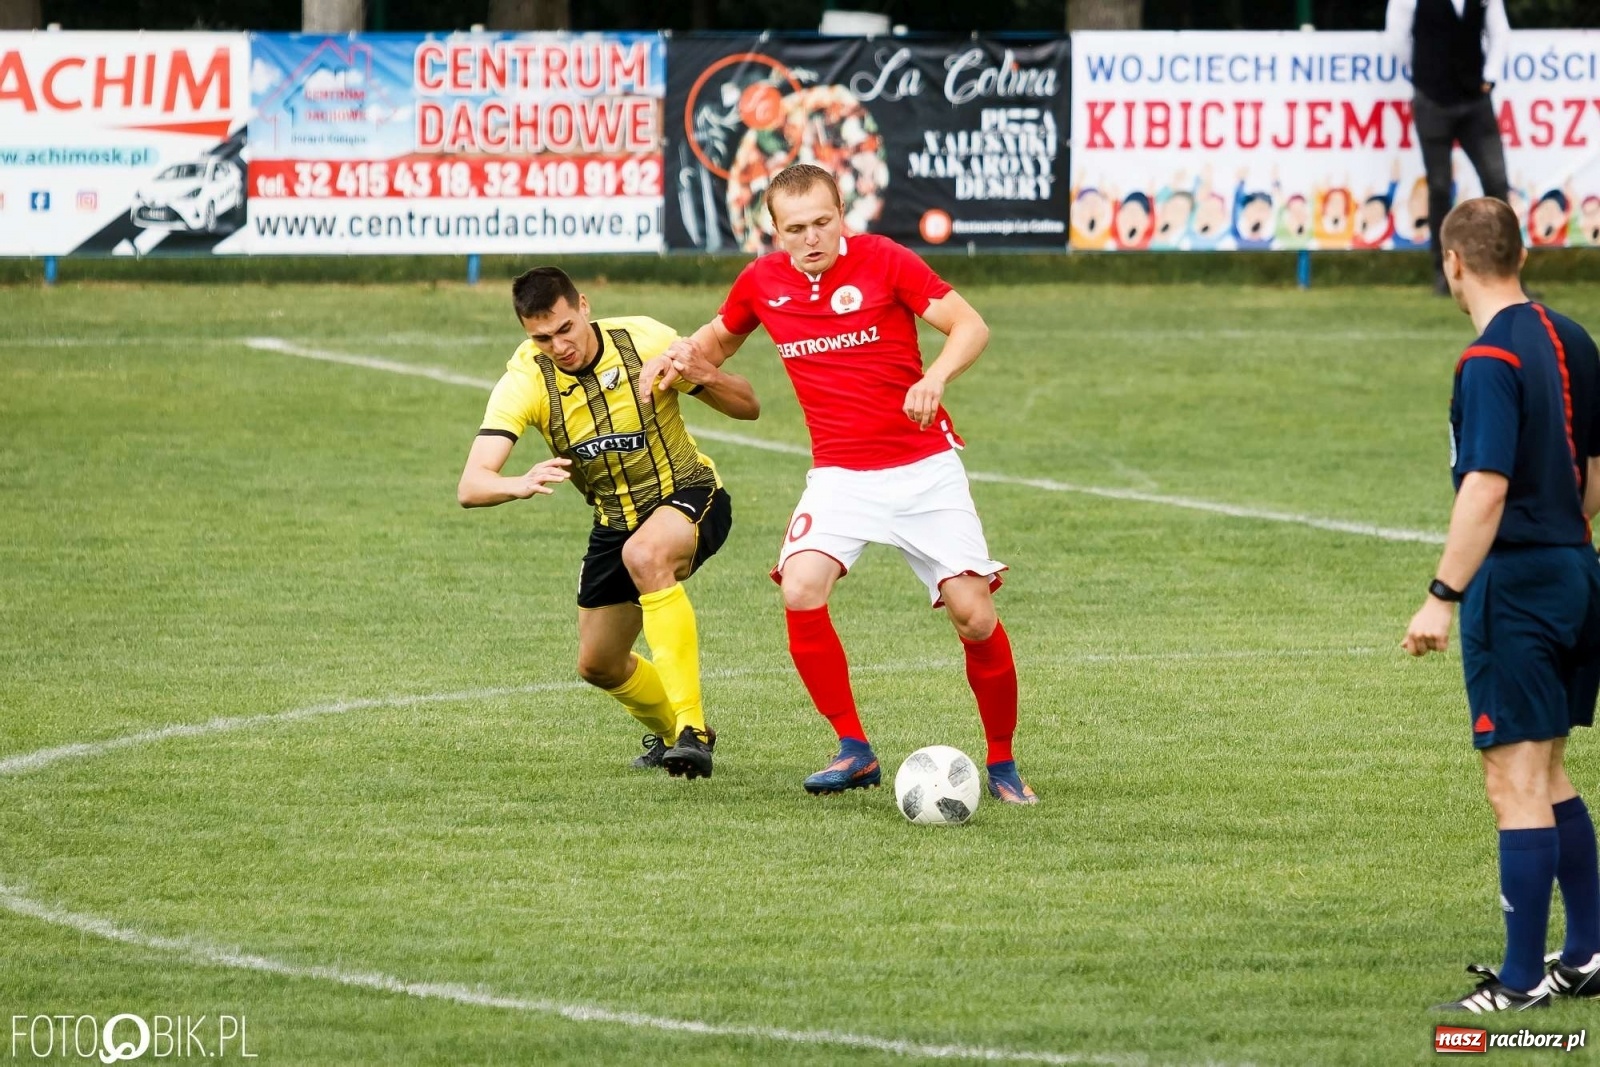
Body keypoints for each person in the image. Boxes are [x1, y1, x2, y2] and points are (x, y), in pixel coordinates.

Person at [640, 163, 1037, 805]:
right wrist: (675, 358)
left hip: (924, 470)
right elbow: (714, 342)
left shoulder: (885, 260)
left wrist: (934, 377)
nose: (811, 238)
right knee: (800, 587)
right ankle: (854, 749)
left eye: (823, 222)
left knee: (973, 614)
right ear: (774, 231)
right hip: (840, 478)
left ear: (842, 215)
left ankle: (1002, 763)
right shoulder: (762, 283)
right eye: (795, 228)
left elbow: (971, 326)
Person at [1402, 197, 1600, 1011]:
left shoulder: (1487, 359)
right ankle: (1586, 952)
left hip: (1515, 588)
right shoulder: (1574, 337)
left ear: (1454, 262)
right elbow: (1594, 473)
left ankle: (1519, 985)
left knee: (1511, 781)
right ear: (1521, 254)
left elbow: (1485, 485)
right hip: (1576, 568)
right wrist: (1564, 538)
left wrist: (1442, 596)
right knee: (1547, 770)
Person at [458, 267, 760, 779]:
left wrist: (706, 375)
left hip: (690, 492)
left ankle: (694, 729)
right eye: (542, 338)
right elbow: (471, 485)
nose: (559, 346)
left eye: (565, 328)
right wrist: (517, 483)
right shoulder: (527, 379)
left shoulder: (645, 341)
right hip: (615, 521)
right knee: (598, 663)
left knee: (645, 555)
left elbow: (748, 406)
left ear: (584, 306)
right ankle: (675, 737)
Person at [1385, 0, 1512, 294]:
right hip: (1432, 101)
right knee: (1440, 188)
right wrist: (1424, 74)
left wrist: (1490, 77)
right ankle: (1444, 274)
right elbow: (1396, 39)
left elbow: (1500, 32)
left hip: (1475, 100)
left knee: (1497, 183)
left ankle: (1507, 273)